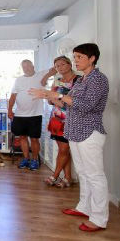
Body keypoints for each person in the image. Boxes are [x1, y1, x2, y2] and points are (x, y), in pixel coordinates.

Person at [29, 43, 109, 232]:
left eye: (80, 57)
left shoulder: (97, 79)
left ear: (92, 58)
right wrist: (48, 97)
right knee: (82, 172)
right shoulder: (81, 81)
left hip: (90, 132)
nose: (76, 61)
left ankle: (99, 218)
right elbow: (68, 105)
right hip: (75, 131)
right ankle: (84, 207)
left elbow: (86, 105)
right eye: (75, 57)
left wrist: (56, 94)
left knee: (95, 175)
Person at [8, 60, 56, 171]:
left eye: (28, 66)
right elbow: (13, 97)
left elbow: (54, 69)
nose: (26, 68)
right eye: (24, 67)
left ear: (33, 66)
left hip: (35, 114)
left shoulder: (40, 74)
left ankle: (34, 160)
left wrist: (47, 76)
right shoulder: (18, 80)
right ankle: (26, 158)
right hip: (20, 114)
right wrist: (9, 110)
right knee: (22, 137)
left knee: (34, 139)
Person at [44, 56, 80, 188]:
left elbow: (74, 103)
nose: (59, 68)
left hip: (70, 120)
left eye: (62, 64)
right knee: (63, 150)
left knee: (64, 149)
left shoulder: (78, 80)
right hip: (56, 119)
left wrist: (56, 100)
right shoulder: (57, 80)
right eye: (57, 66)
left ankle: (55, 175)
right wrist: (54, 100)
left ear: (69, 65)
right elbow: (49, 99)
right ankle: (68, 178)